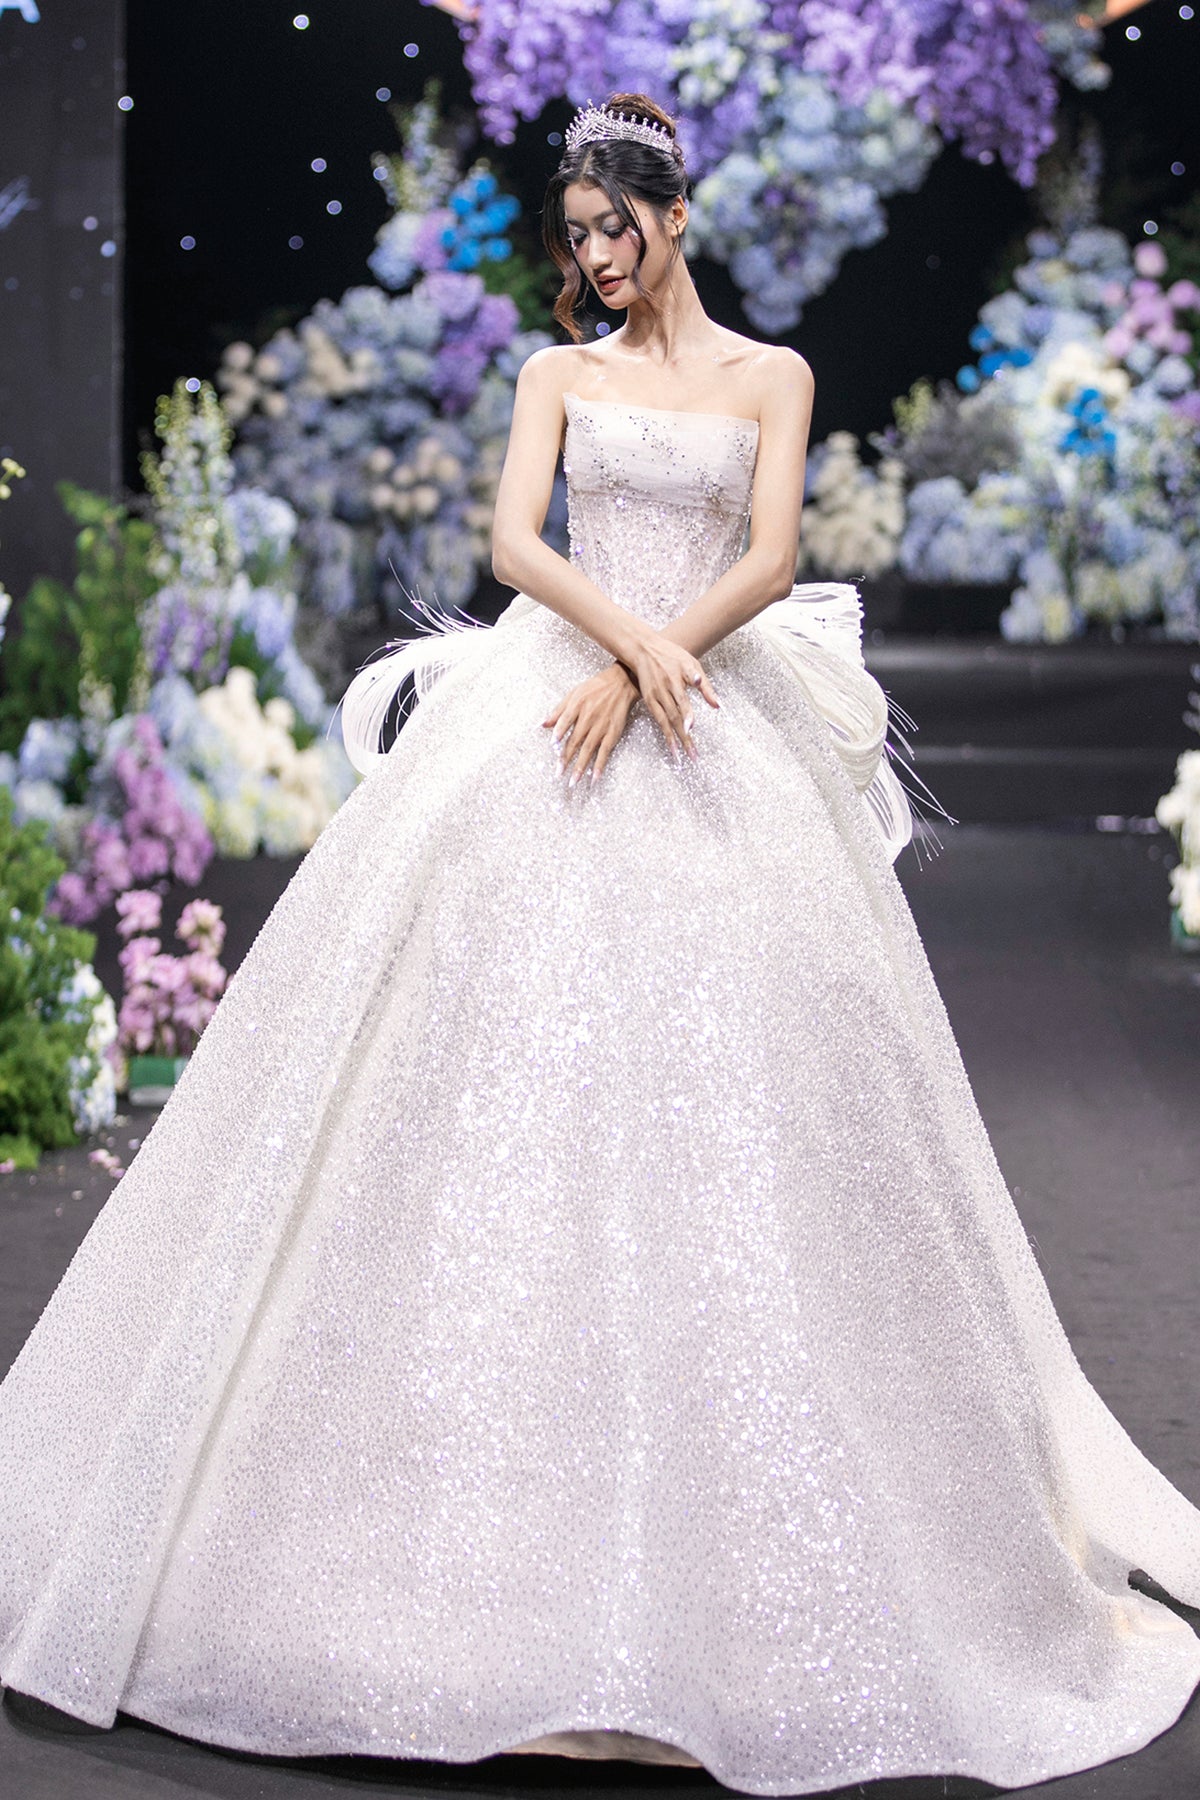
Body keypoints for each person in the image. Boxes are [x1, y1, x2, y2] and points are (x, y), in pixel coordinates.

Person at [1, 89, 1199, 1800]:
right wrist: (622, 647)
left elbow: (771, 554)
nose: (594, 259)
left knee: (749, 1074)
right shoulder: (557, 374)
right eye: (575, 236)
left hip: (706, 698)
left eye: (613, 230)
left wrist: (657, 665)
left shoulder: (770, 376)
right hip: (564, 682)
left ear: (673, 217)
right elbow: (514, 545)